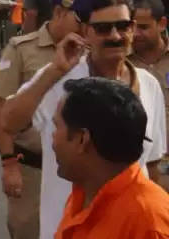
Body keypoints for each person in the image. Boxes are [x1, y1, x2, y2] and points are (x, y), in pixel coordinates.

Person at [1, 0, 167, 239]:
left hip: (129, 228)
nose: (114, 36)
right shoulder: (61, 79)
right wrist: (54, 71)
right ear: (86, 31)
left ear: (132, 28)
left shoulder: (148, 85)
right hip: (67, 227)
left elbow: (151, 168)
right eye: (103, 28)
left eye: (122, 26)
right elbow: (9, 123)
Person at [0, 0, 89, 238]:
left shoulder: (88, 55)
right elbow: (2, 108)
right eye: (81, 20)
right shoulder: (21, 48)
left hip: (71, 169)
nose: (85, 28)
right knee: (27, 230)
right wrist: (8, 162)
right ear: (59, 12)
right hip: (30, 166)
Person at [52, 76, 169, 237]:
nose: (53, 138)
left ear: (82, 139)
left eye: (57, 126)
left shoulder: (149, 223)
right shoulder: (82, 196)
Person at [131, 0, 169, 188]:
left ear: (162, 24)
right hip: (140, 171)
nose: (136, 34)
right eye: (132, 26)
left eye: (143, 27)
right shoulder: (119, 63)